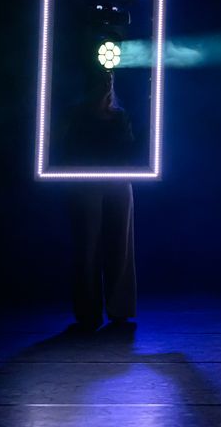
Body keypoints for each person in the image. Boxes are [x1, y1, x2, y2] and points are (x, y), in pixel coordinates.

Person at [62, 68, 137, 331]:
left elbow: (129, 148)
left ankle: (120, 309)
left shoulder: (119, 116)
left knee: (120, 246)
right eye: (102, 79)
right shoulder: (77, 115)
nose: (107, 83)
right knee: (87, 247)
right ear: (91, 83)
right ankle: (88, 312)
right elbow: (66, 147)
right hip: (86, 184)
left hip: (118, 182)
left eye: (110, 79)